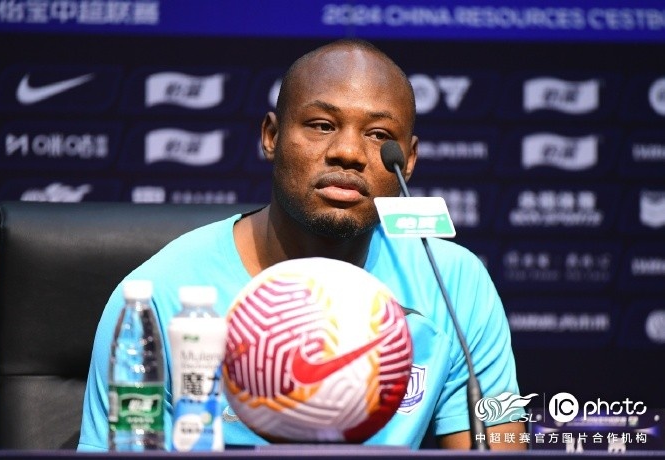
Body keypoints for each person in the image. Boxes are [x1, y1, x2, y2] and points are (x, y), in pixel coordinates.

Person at [78, 38, 525, 451]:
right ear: (271, 136)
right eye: (321, 125)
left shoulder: (454, 282)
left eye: (378, 135)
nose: (348, 152)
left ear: (407, 160)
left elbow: (500, 443)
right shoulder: (157, 297)